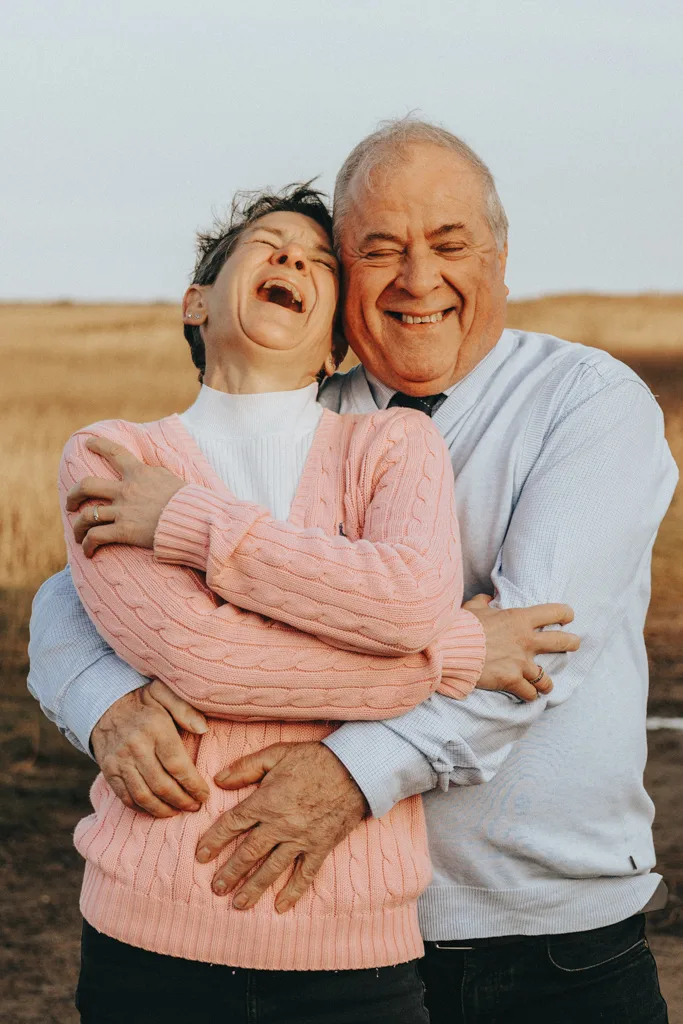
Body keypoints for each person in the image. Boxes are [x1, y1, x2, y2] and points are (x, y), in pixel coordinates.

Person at [29, 118, 676, 1023]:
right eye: (377, 251)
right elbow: (81, 586)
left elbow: (532, 650)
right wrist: (99, 694)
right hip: (337, 927)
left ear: (499, 256)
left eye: (450, 245)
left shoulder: (586, 403)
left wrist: (347, 775)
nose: (418, 280)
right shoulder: (306, 407)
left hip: (538, 940)